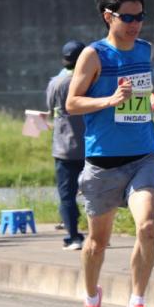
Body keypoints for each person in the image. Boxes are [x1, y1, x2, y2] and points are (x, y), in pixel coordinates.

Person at [66, 0, 154, 307]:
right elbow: (72, 103)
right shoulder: (93, 55)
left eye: (140, 17)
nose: (135, 25)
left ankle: (136, 303)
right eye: (127, 18)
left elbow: (142, 92)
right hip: (103, 162)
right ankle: (91, 298)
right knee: (98, 243)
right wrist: (109, 100)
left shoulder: (145, 49)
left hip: (143, 153)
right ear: (107, 16)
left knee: (147, 226)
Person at [46, 40, 87, 251]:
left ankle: (73, 237)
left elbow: (49, 106)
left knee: (67, 195)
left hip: (64, 148)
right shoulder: (93, 81)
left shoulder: (57, 82)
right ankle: (100, 234)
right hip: (92, 146)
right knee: (95, 193)